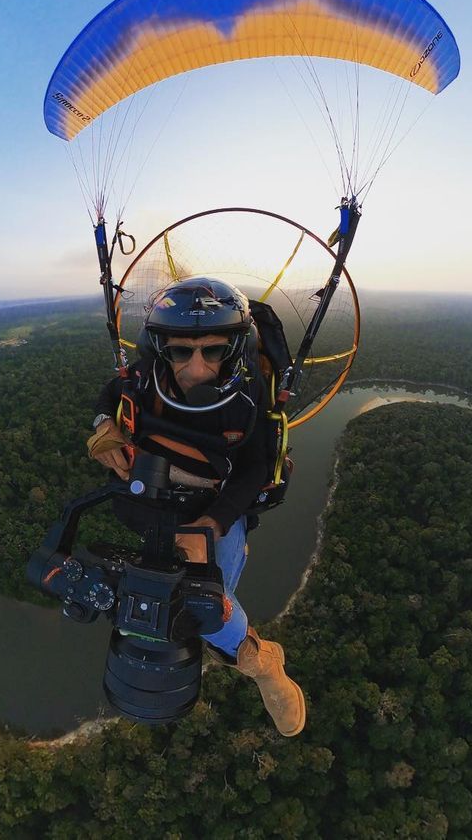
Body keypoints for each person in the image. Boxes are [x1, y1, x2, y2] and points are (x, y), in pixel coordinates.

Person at [87, 276, 306, 737]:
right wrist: (105, 425)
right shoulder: (148, 376)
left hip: (219, 502)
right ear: (161, 347)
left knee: (207, 601)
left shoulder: (247, 395)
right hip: (156, 494)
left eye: (214, 350)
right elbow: (111, 393)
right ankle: (244, 651)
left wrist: (212, 523)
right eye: (181, 351)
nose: (197, 367)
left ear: (235, 347)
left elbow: (255, 468)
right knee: (162, 599)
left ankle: (262, 665)